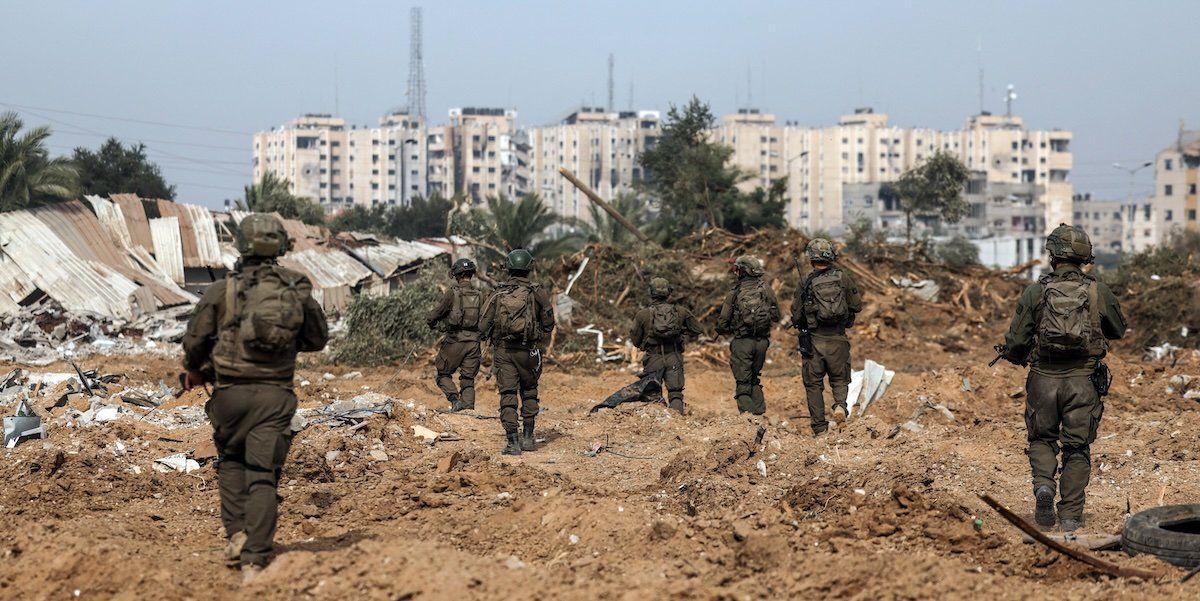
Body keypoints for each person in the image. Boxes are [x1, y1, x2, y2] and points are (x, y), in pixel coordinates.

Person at [182, 214, 329, 580]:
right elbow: (317, 339)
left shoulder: (221, 290)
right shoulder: (295, 287)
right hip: (275, 395)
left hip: (229, 395)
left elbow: (195, 342)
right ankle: (255, 560)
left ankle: (237, 535)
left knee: (231, 461)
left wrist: (195, 369)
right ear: (280, 245)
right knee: (264, 474)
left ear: (241, 245)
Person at [1000, 224, 1126, 533]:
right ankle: (1070, 515)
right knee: (1077, 447)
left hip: (1043, 378)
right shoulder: (1098, 291)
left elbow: (1016, 340)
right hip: (1083, 381)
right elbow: (1118, 330)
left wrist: (1017, 355)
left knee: (1042, 438)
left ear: (1052, 255)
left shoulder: (1036, 290)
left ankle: (1044, 486)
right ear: (1086, 256)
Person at [479, 249, 555, 455]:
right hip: (529, 352)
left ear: (508, 266)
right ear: (529, 267)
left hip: (504, 352)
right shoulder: (537, 292)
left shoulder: (498, 292)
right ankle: (529, 439)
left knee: (508, 394)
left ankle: (513, 442)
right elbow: (549, 322)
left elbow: (482, 325)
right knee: (529, 391)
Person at [792, 238, 862, 436]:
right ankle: (840, 406)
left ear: (811, 258)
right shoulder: (843, 278)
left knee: (813, 385)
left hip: (814, 341)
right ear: (831, 256)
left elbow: (796, 315)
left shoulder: (805, 282)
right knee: (840, 380)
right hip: (838, 339)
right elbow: (856, 305)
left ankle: (820, 429)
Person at [716, 255, 781, 415]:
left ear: (742, 271)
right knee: (754, 379)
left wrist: (730, 328)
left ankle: (750, 420)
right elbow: (776, 316)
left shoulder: (735, 293)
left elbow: (722, 323)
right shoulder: (767, 289)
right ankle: (760, 415)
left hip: (743, 343)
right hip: (762, 343)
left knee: (743, 384)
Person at [629, 277, 703, 413]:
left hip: (653, 358)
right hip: (674, 356)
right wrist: (681, 331)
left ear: (651, 293)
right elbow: (698, 329)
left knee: (652, 393)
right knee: (675, 393)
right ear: (669, 292)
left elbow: (635, 339)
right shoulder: (681, 311)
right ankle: (677, 422)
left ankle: (659, 426)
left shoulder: (643, 314)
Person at [426, 258, 485, 412]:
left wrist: (432, 323)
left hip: (454, 341)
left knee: (442, 374)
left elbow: (435, 314)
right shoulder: (480, 295)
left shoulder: (452, 293)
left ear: (456, 275)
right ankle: (468, 410)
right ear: (471, 274)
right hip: (474, 343)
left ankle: (454, 399)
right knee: (468, 379)